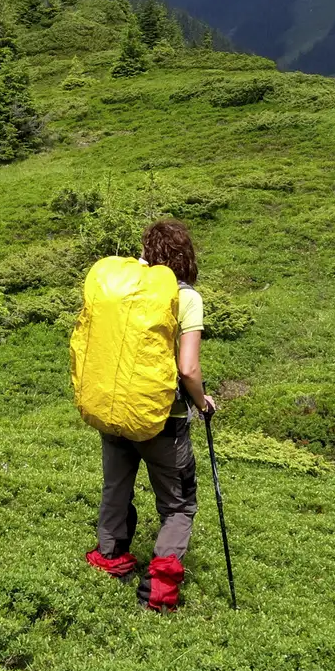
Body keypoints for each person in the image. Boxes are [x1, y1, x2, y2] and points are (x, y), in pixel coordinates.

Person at [84, 218, 215, 611]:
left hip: (115, 409)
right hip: (164, 420)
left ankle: (110, 558)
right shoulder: (186, 297)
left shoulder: (122, 292)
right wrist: (202, 400)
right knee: (178, 505)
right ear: (185, 255)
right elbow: (188, 368)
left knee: (116, 488)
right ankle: (159, 588)